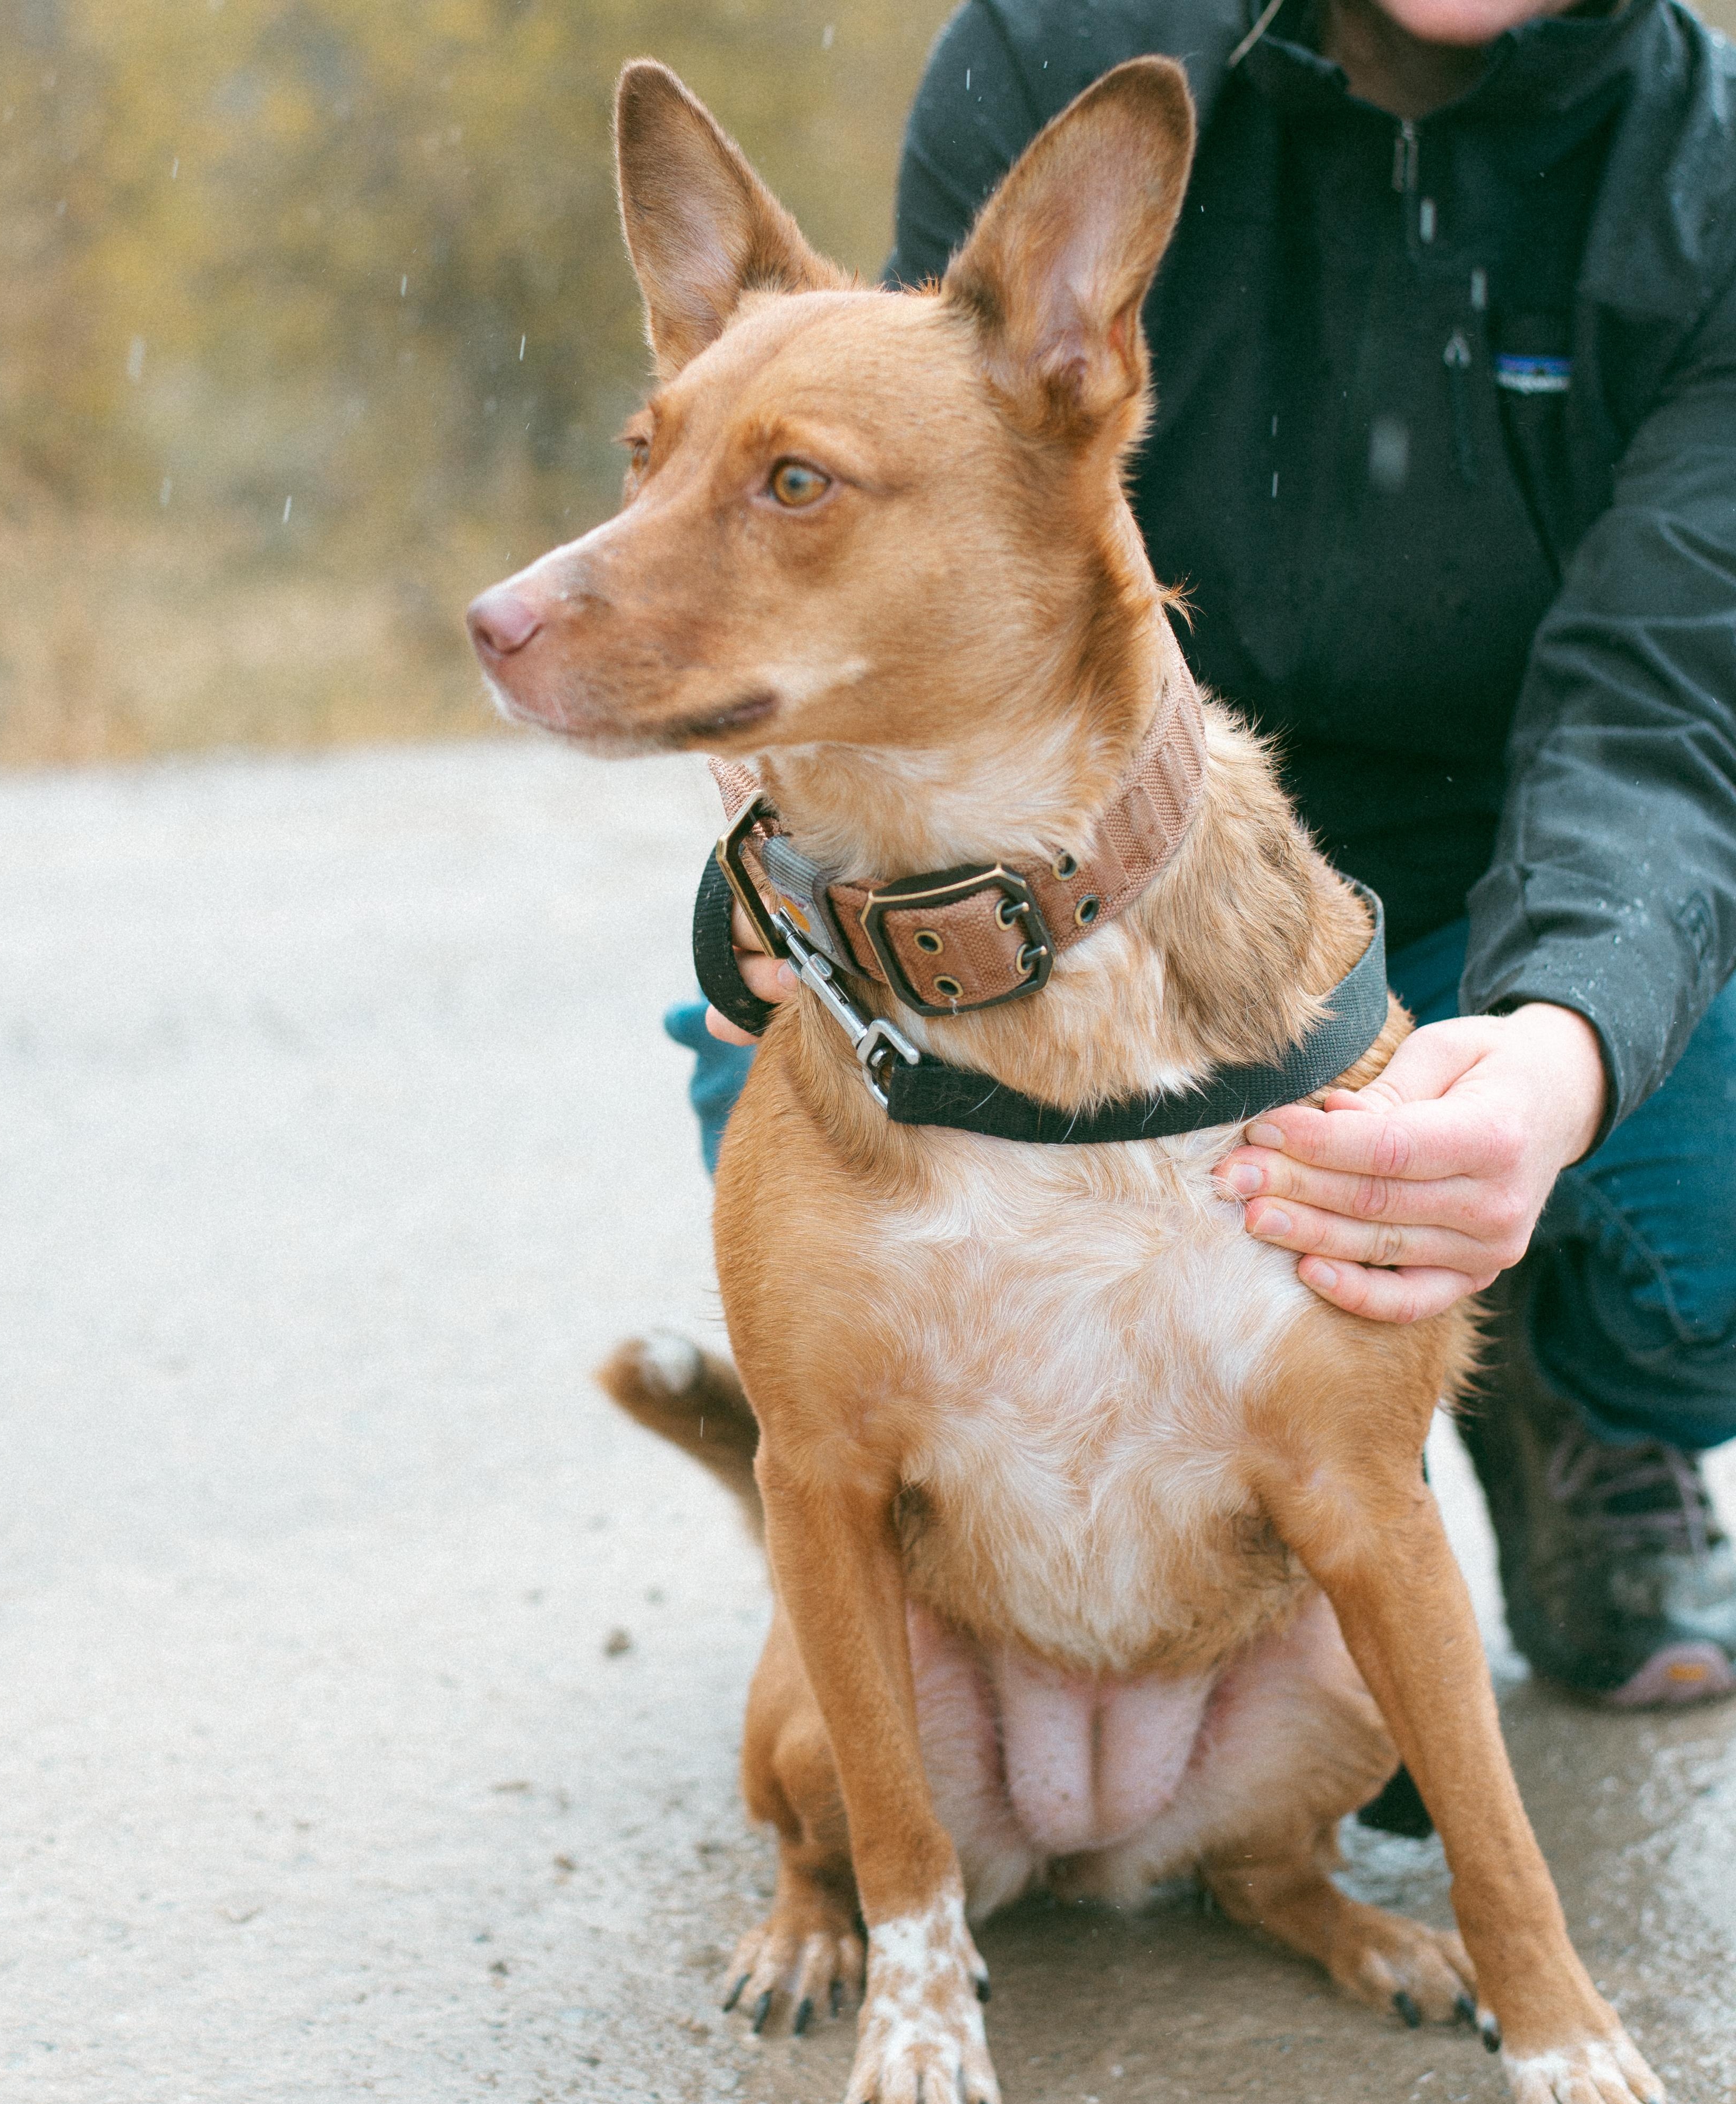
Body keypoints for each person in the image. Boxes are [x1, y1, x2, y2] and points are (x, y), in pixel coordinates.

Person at [668, 0, 1736, 1711]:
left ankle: (1557, 1401)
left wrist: (1564, 1054)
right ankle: (1058, 1538)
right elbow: (883, 548)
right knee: (797, 1108)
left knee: (1705, 1226)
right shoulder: (1063, 51)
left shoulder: (1710, 175)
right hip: (1090, 867)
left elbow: (1669, 705)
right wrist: (782, 876)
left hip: (1496, 897)